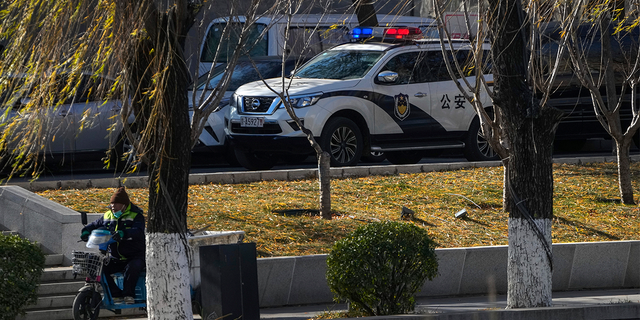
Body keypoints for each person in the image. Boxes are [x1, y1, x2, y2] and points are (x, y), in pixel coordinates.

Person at [80, 187, 145, 304]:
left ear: (124, 205)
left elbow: (138, 231)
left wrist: (123, 233)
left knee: (133, 268)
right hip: (115, 257)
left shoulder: (136, 215)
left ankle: (128, 295)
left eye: (116, 204)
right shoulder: (107, 215)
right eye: (112, 204)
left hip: (134, 256)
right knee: (100, 267)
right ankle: (115, 294)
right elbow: (94, 225)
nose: (113, 206)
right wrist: (85, 231)